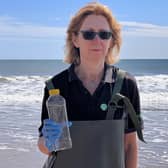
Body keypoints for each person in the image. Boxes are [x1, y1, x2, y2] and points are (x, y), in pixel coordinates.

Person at [38, 2, 144, 168]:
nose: (97, 40)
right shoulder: (55, 87)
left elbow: (130, 145)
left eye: (104, 34)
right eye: (88, 34)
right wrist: (49, 141)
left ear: (111, 41)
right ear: (75, 39)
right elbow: (44, 145)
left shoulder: (126, 84)